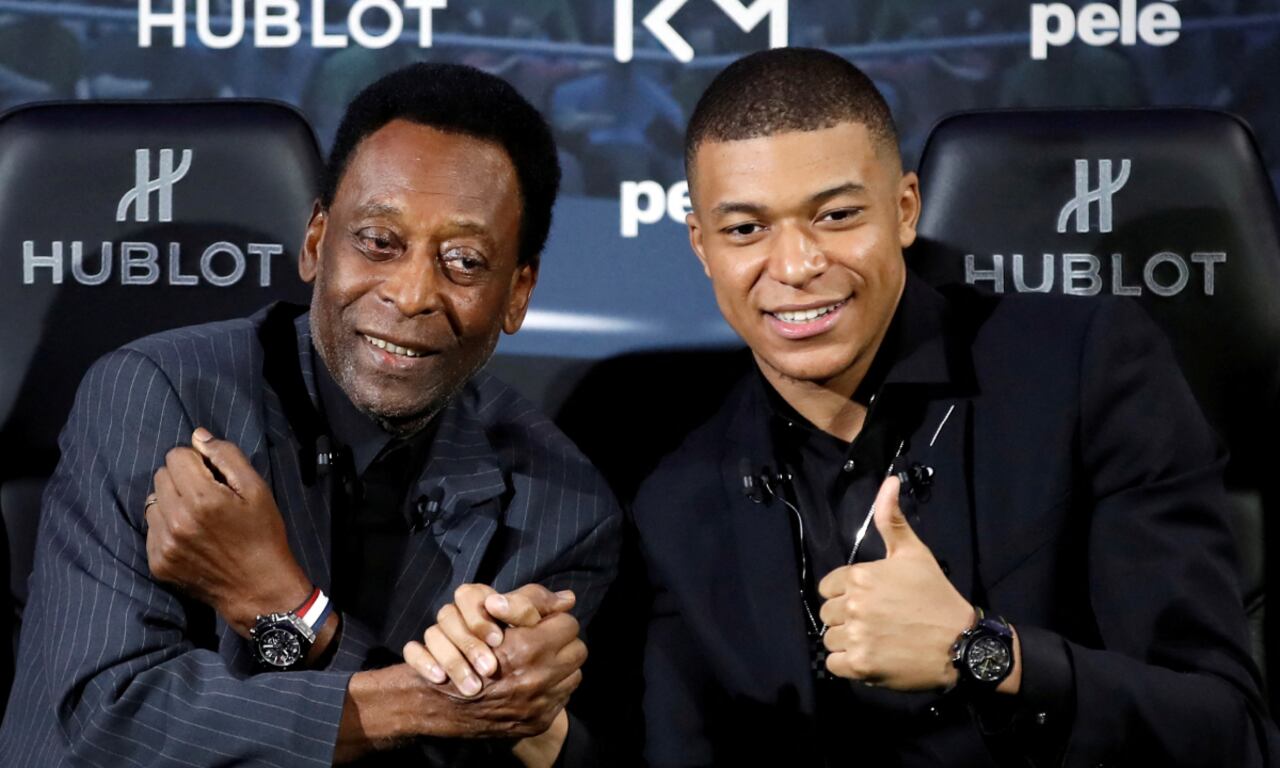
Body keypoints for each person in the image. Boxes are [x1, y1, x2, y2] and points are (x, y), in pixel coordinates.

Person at [625, 47, 1275, 765]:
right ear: (702, 246)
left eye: (837, 216)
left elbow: (1228, 734)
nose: (795, 266)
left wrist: (981, 652)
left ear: (905, 210)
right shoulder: (678, 501)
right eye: (746, 229)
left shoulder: (1084, 372)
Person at [0, 63, 619, 766]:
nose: (412, 293)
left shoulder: (558, 508)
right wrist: (429, 702)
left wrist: (288, 613)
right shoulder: (154, 397)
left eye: (464, 261)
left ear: (518, 292)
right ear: (317, 242)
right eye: (378, 242)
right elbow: (112, 727)